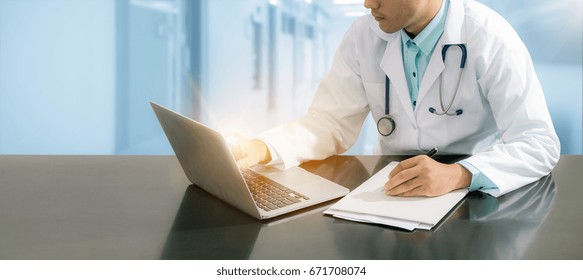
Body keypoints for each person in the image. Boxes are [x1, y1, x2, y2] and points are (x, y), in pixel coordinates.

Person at [230, 0, 560, 198]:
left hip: (475, 198)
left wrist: (461, 174)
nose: (367, 3)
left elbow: (538, 142)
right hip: (392, 191)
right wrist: (261, 148)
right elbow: (329, 122)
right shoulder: (363, 36)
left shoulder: (489, 35)